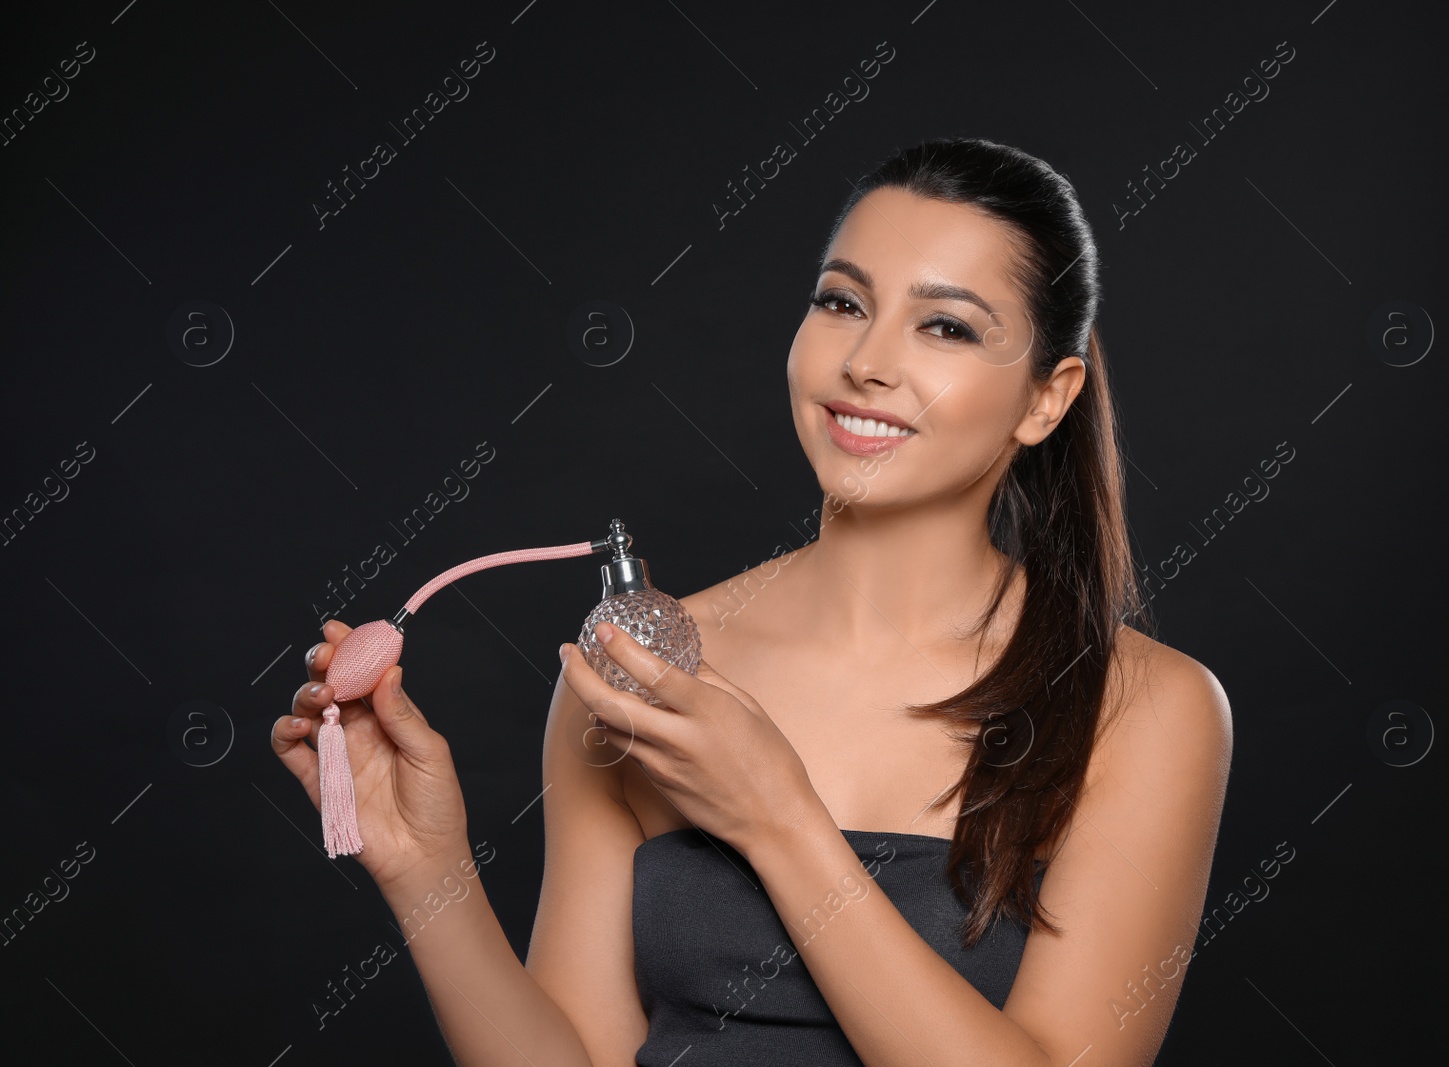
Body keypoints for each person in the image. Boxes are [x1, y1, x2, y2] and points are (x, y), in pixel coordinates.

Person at [273, 136, 1232, 1067]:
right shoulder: (634, 670)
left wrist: (779, 820)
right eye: (842, 301)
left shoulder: (1146, 707)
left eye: (945, 325)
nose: (867, 360)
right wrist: (426, 873)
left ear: (1046, 399)